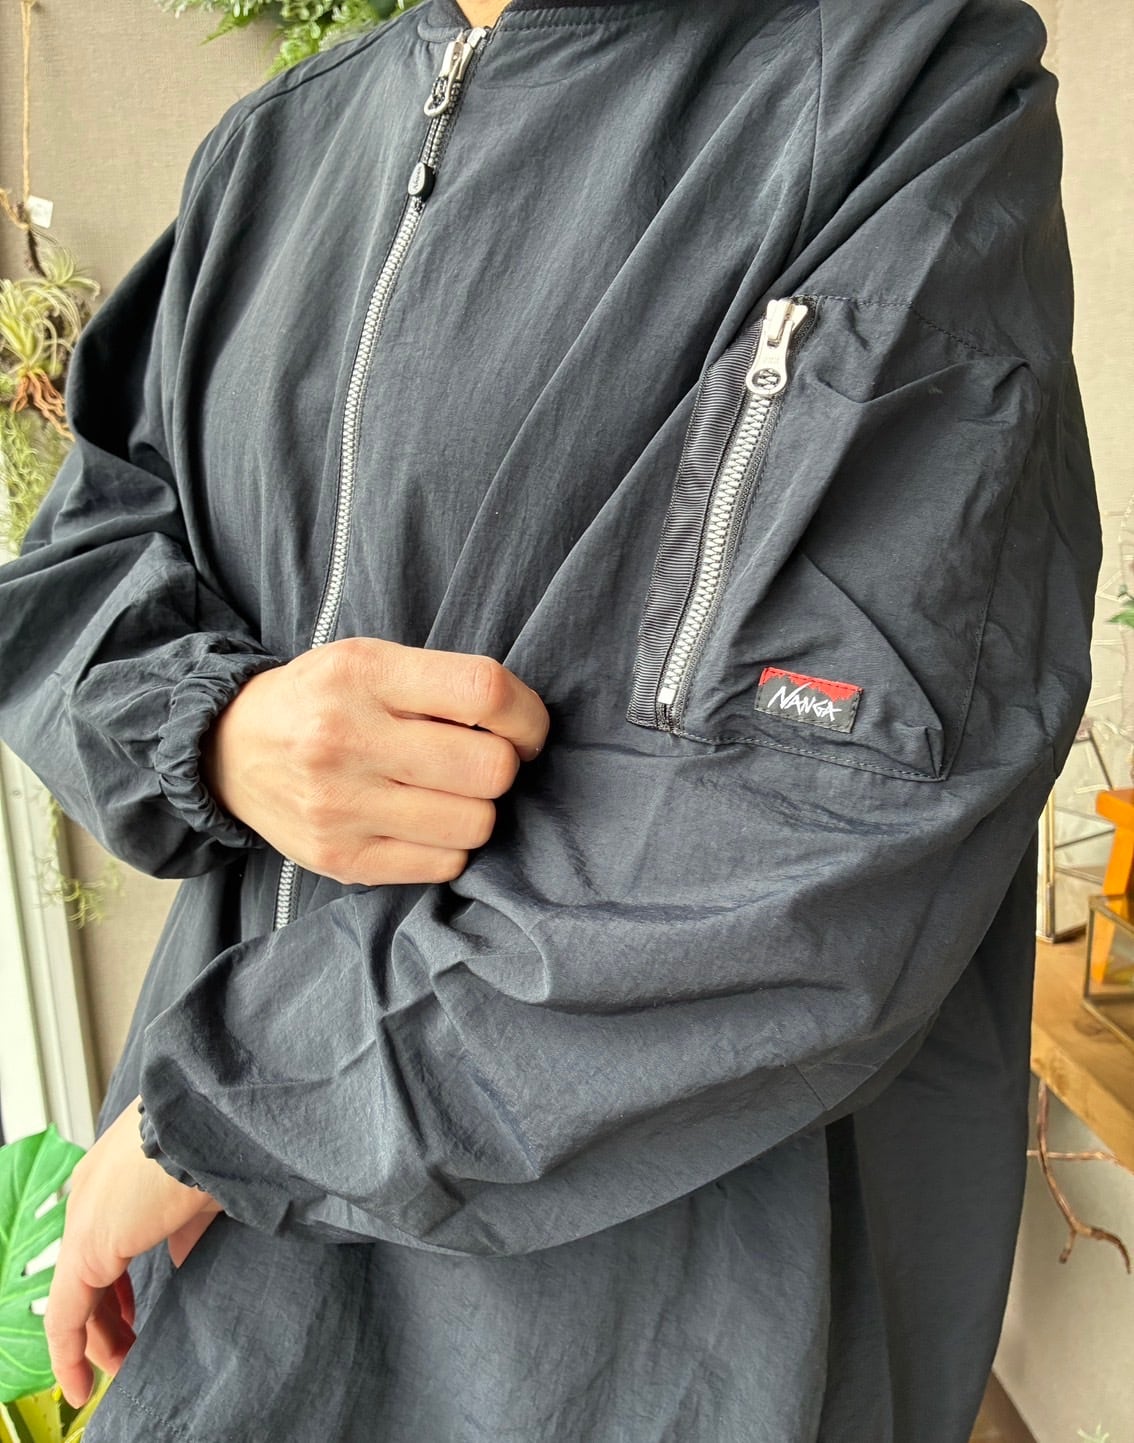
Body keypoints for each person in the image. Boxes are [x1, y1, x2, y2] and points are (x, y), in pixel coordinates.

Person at [0, 0, 1102, 1438]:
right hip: (234, 1293)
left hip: (643, 1323)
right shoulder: (279, 148)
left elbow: (804, 838)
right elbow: (76, 568)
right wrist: (215, 727)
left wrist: (231, 1112)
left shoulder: (893, 87)